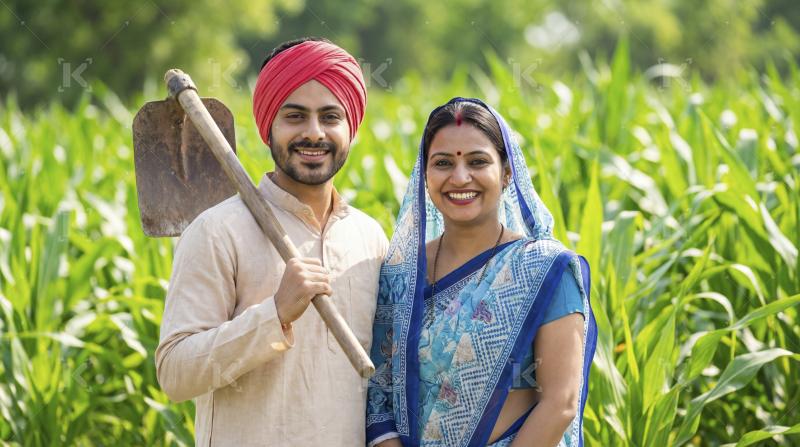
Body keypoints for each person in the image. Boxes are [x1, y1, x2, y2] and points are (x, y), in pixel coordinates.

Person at [155, 37, 388, 446]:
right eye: (295, 116)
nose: (314, 133)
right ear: (269, 127)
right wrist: (274, 314)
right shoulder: (217, 231)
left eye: (330, 117)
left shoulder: (369, 237)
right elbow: (175, 373)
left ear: (351, 129)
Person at [366, 98, 597, 447]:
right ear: (425, 177)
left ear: (506, 173)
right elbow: (378, 393)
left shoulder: (542, 270)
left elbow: (560, 403)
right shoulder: (399, 275)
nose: (460, 177)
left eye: (478, 162)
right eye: (443, 163)